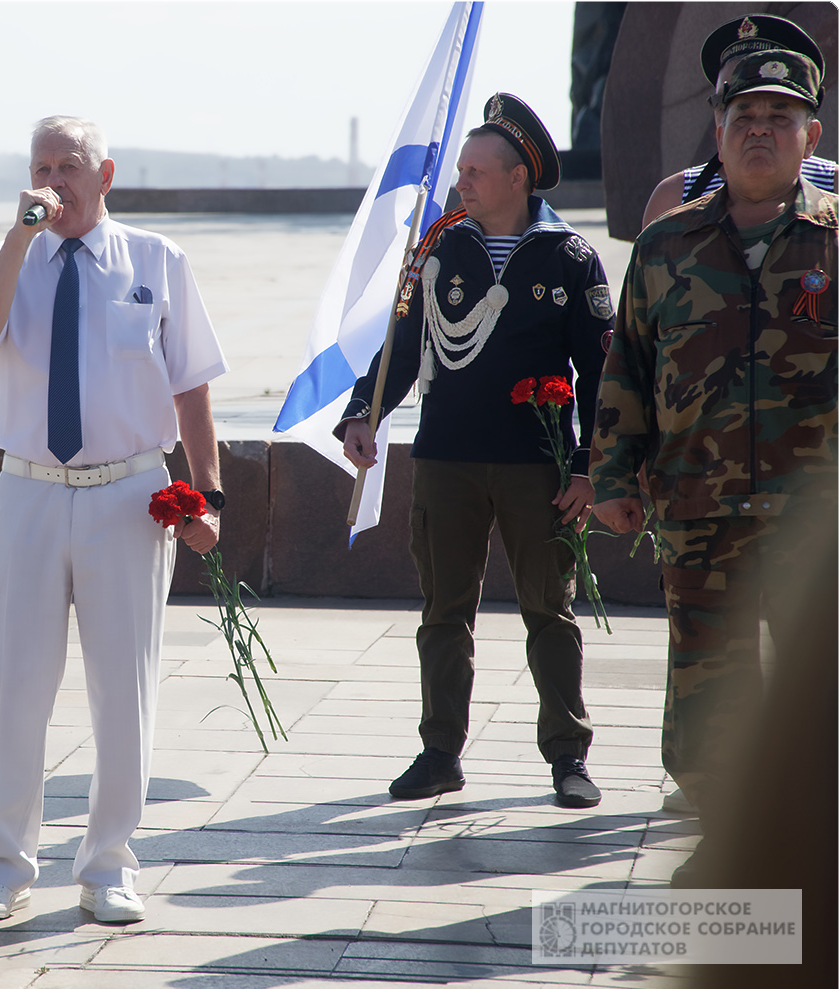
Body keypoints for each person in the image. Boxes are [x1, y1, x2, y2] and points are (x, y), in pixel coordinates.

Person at [0, 116, 226, 923]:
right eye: (40, 167)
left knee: (123, 686)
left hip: (129, 492)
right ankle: (3, 865)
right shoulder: (1, 259)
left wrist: (208, 495)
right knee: (8, 681)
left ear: (103, 176)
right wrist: (19, 239)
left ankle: (109, 865)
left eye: (68, 166)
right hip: (30, 491)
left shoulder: (157, 260)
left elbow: (192, 386)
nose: (52, 182)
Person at [591, 48, 836, 856]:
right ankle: (724, 838)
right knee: (708, 691)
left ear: (811, 136)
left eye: (779, 118)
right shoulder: (667, 245)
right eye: (744, 117)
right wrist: (611, 476)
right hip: (701, 507)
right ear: (718, 133)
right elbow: (627, 366)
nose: (760, 131)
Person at [336, 94, 611, 810]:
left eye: (475, 171)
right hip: (447, 458)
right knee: (444, 612)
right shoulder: (438, 246)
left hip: (536, 468)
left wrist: (588, 468)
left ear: (518, 177)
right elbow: (402, 346)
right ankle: (439, 753)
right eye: (461, 169)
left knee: (549, 612)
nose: (460, 182)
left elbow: (600, 374)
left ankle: (568, 755)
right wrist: (364, 413)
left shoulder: (569, 257)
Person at [641, 14, 835, 229]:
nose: (757, 128)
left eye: (777, 113)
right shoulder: (676, 197)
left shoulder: (833, 186)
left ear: (810, 133)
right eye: (727, 101)